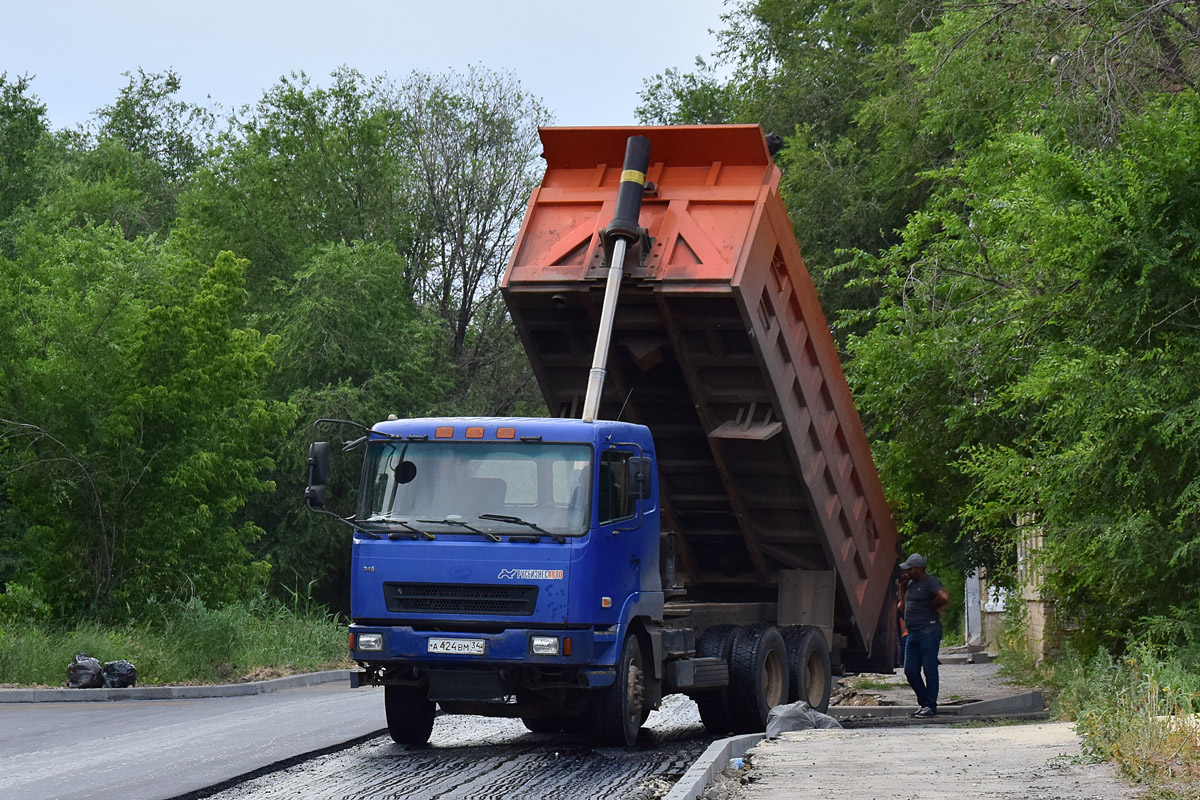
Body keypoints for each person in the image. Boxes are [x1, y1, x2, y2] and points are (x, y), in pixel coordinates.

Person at [897, 553, 949, 718]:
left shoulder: (930, 581)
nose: (907, 572)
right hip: (913, 633)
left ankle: (930, 706)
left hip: (929, 630)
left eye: (910, 569)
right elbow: (901, 607)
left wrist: (933, 606)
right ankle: (924, 703)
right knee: (910, 670)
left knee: (929, 668)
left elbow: (944, 596)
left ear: (919, 569)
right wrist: (901, 587)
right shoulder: (910, 584)